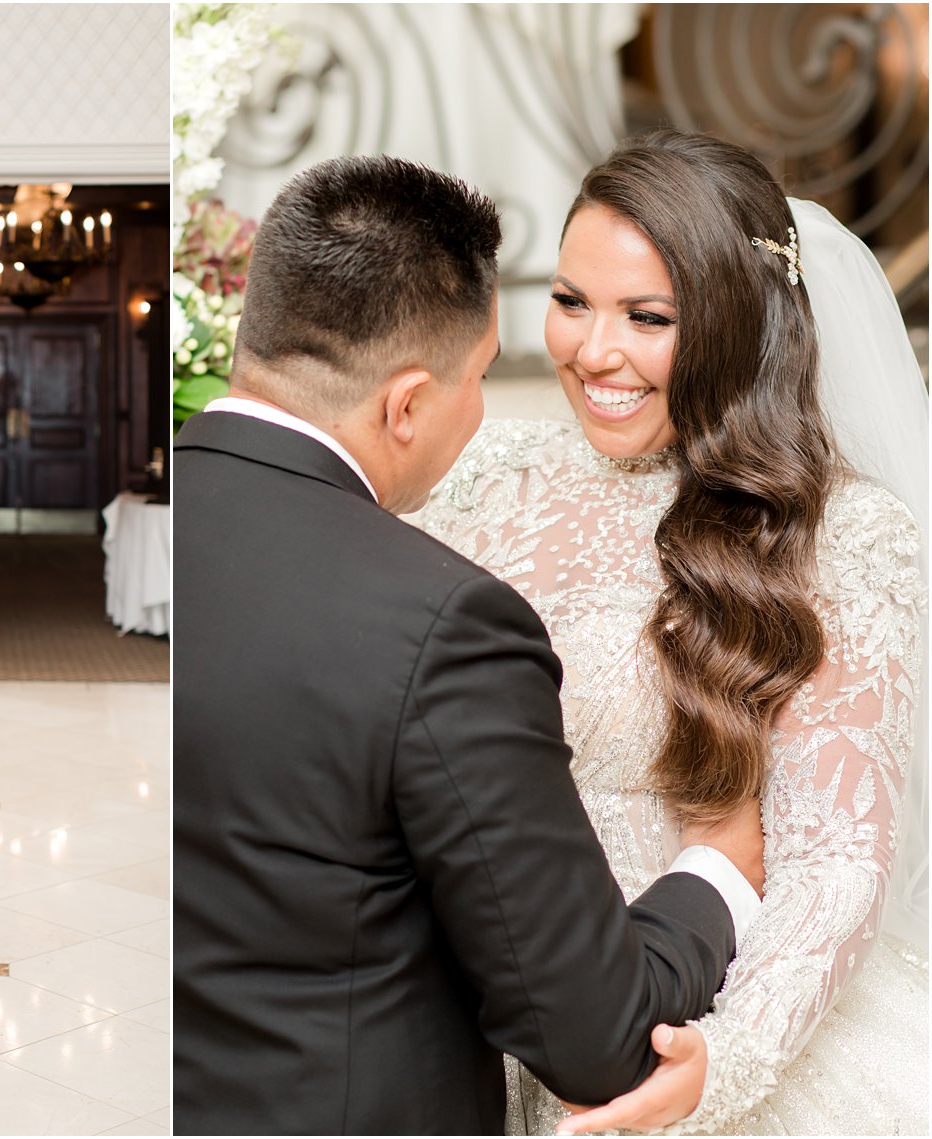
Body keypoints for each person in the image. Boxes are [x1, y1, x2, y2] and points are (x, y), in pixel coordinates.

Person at [173, 155, 767, 1136]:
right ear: (403, 404)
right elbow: (595, 1040)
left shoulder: (169, 521)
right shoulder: (442, 621)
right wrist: (714, 873)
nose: (485, 409)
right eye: (479, 376)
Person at [409, 130, 927, 1134]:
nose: (591, 350)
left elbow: (836, 858)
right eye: (568, 301)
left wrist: (715, 1066)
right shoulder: (485, 474)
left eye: (646, 317)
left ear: (737, 322)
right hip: (456, 1024)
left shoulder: (842, 536)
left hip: (693, 1014)